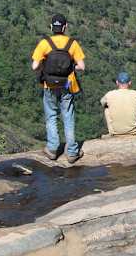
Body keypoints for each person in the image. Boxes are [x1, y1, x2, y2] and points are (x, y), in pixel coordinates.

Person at [31, 14, 86, 164]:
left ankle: (52, 149)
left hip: (49, 85)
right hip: (67, 85)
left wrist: (44, 67)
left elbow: (34, 66)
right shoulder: (72, 43)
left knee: (51, 116)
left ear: (51, 27)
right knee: (68, 117)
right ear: (65, 27)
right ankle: (72, 152)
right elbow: (81, 66)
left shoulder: (45, 43)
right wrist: (71, 67)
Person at [100, 71, 136, 136]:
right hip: (134, 131)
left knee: (106, 107)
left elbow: (102, 102)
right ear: (130, 83)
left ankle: (113, 129)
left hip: (115, 132)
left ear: (117, 82)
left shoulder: (109, 94)